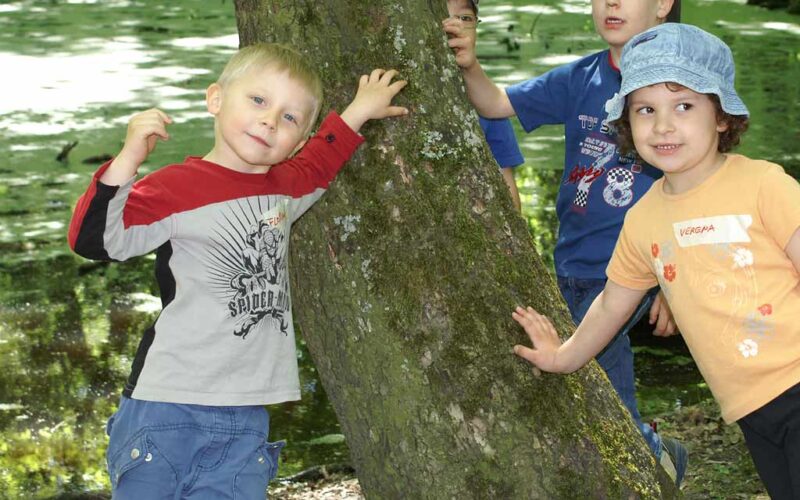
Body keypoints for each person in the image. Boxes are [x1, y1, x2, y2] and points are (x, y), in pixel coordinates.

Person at [68, 43, 407, 499]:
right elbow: (95, 241)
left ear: (299, 139)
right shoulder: (174, 187)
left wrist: (358, 112)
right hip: (166, 404)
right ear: (216, 100)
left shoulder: (285, 188)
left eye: (290, 118)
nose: (270, 120)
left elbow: (322, 161)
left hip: (246, 414)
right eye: (258, 100)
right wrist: (127, 159)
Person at [513, 23, 800, 498]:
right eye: (645, 110)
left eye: (683, 106)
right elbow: (611, 304)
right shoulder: (644, 218)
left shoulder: (764, 184)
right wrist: (563, 358)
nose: (663, 125)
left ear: (722, 116)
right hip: (750, 410)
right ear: (627, 123)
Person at [444, 0, 687, 483]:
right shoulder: (582, 78)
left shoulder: (681, 87)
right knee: (607, 394)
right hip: (573, 263)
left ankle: (629, 468)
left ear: (663, 4)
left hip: (633, 273)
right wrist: (469, 65)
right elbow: (494, 103)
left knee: (567, 368)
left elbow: (694, 188)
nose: (610, 4)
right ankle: (656, 452)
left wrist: (672, 283)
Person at [445, 0, 525, 211]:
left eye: (465, 18)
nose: (456, 26)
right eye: (444, 15)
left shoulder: (490, 106)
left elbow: (506, 182)